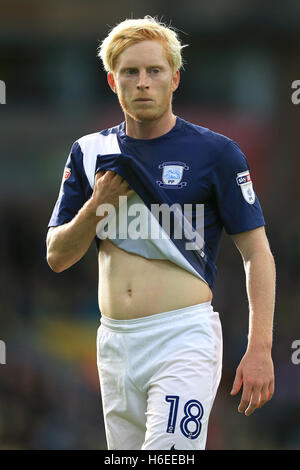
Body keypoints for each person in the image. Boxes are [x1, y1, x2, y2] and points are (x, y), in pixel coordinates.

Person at [46, 16, 276, 450]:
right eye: (130, 72)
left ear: (175, 77)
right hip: (113, 342)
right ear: (113, 81)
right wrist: (96, 208)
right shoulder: (89, 151)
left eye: (154, 71)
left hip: (182, 337)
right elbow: (57, 256)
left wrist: (259, 346)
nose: (143, 82)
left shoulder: (217, 152)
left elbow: (256, 253)